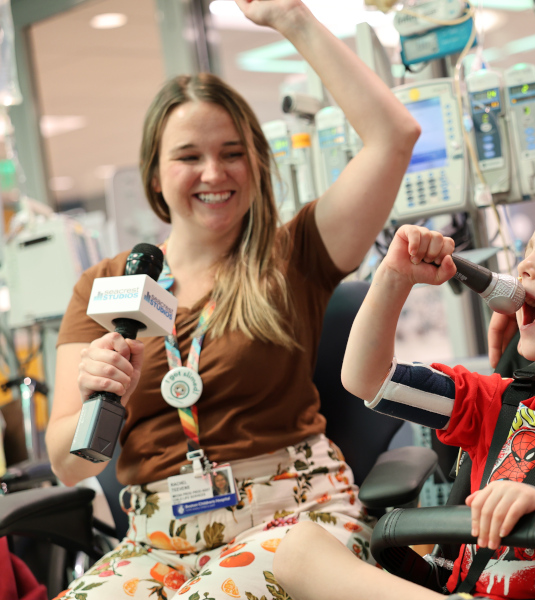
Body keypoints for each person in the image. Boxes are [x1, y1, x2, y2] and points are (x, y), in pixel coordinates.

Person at [44, 0, 420, 598]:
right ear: (155, 173)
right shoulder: (105, 287)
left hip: (294, 520)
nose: (214, 172)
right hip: (156, 542)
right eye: (189, 157)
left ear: (257, 161)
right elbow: (69, 465)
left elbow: (394, 136)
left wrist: (293, 19)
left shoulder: (295, 253)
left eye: (232, 152)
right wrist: (99, 391)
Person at [272, 200, 535, 600]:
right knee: (298, 547)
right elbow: (366, 379)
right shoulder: (493, 401)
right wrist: (394, 277)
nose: (525, 267)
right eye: (527, 252)